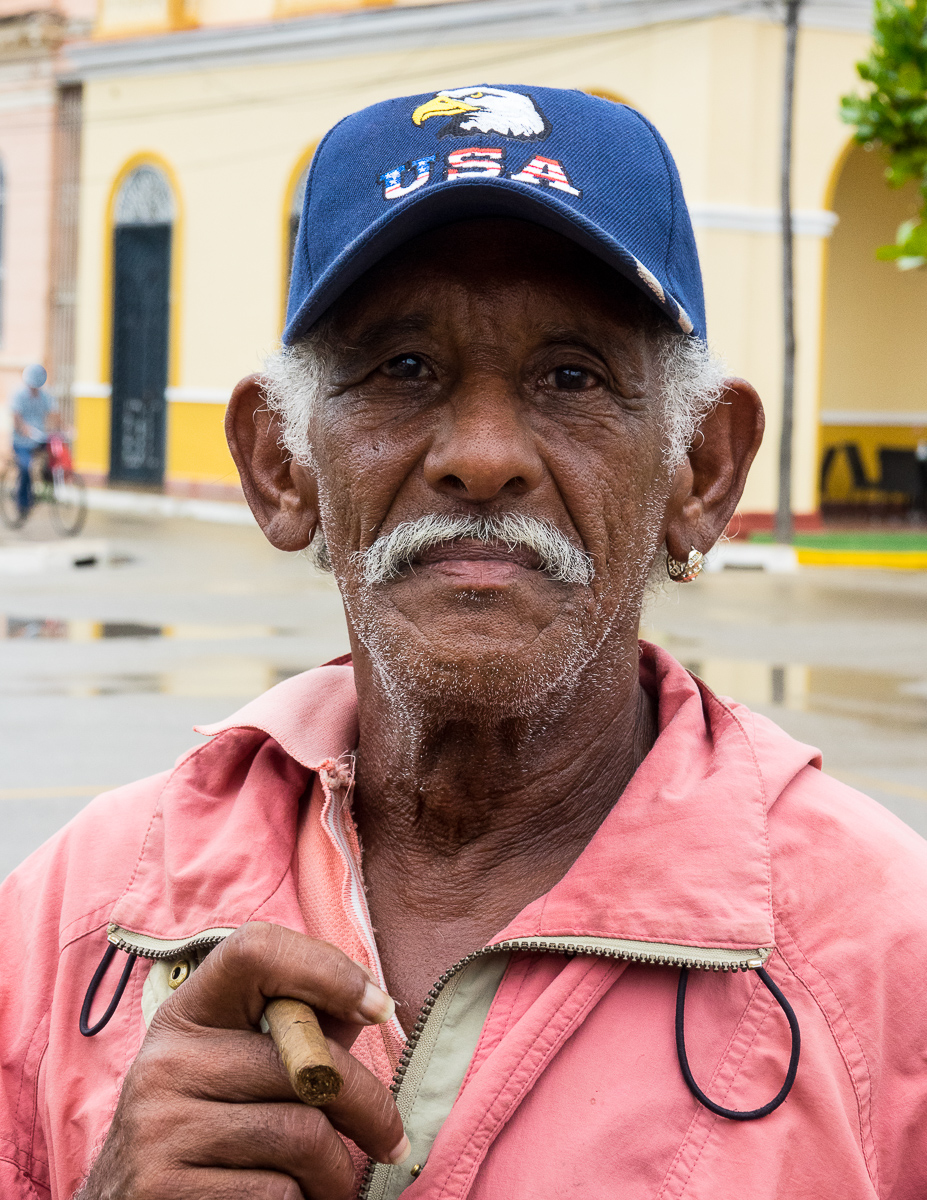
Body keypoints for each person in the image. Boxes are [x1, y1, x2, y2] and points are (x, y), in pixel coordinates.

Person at [2, 86, 927, 1200]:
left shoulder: (884, 958)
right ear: (281, 465)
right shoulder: (78, 911)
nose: (483, 456)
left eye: (572, 377)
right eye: (401, 369)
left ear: (701, 472)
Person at [10, 363, 58, 515]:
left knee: (56, 456)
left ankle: (47, 488)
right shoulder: (18, 395)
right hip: (21, 442)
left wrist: (63, 428)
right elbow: (16, 417)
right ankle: (23, 502)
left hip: (39, 439)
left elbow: (54, 413)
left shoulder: (45, 395)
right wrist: (25, 429)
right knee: (26, 467)